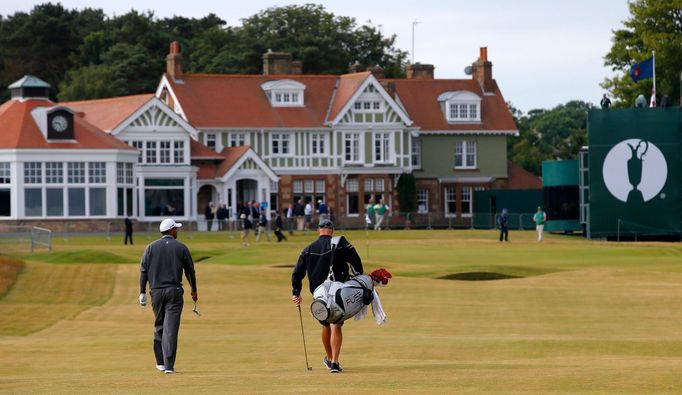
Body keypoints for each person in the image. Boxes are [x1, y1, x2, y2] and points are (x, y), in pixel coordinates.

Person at [291, 220, 363, 374]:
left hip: (319, 295)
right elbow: (356, 261)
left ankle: (330, 359)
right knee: (336, 324)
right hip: (339, 292)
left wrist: (296, 293)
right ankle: (335, 363)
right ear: (332, 230)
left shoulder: (308, 249)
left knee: (325, 324)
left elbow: (297, 273)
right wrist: (360, 278)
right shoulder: (341, 242)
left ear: (319, 230)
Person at [138, 218, 198, 374]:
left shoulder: (150, 247)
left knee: (159, 325)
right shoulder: (181, 247)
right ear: (171, 230)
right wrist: (194, 290)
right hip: (174, 291)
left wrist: (142, 291)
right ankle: (169, 365)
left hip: (156, 292)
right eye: (176, 229)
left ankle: (160, 362)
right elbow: (190, 271)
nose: (177, 231)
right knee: (170, 328)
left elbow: (143, 270)